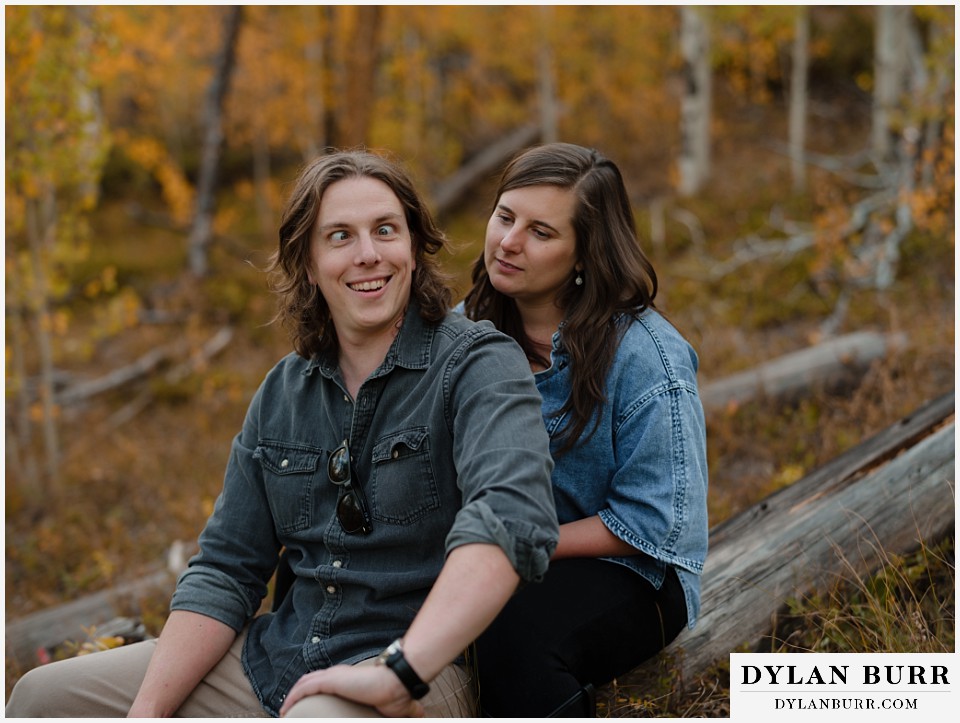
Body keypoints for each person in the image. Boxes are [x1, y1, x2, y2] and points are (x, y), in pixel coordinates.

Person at [6, 150, 560, 718]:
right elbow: (226, 568)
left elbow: (511, 517)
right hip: (278, 658)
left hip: (417, 667)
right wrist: (147, 713)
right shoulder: (283, 391)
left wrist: (401, 671)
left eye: (385, 230)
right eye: (340, 236)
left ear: (414, 249)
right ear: (309, 263)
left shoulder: (478, 363)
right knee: (42, 698)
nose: (368, 254)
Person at [460, 142, 709, 717]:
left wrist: (518, 542)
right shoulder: (467, 330)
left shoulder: (647, 358)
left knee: (514, 632)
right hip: (499, 550)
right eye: (504, 217)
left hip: (635, 570)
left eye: (541, 232)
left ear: (584, 255)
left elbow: (652, 522)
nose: (509, 242)